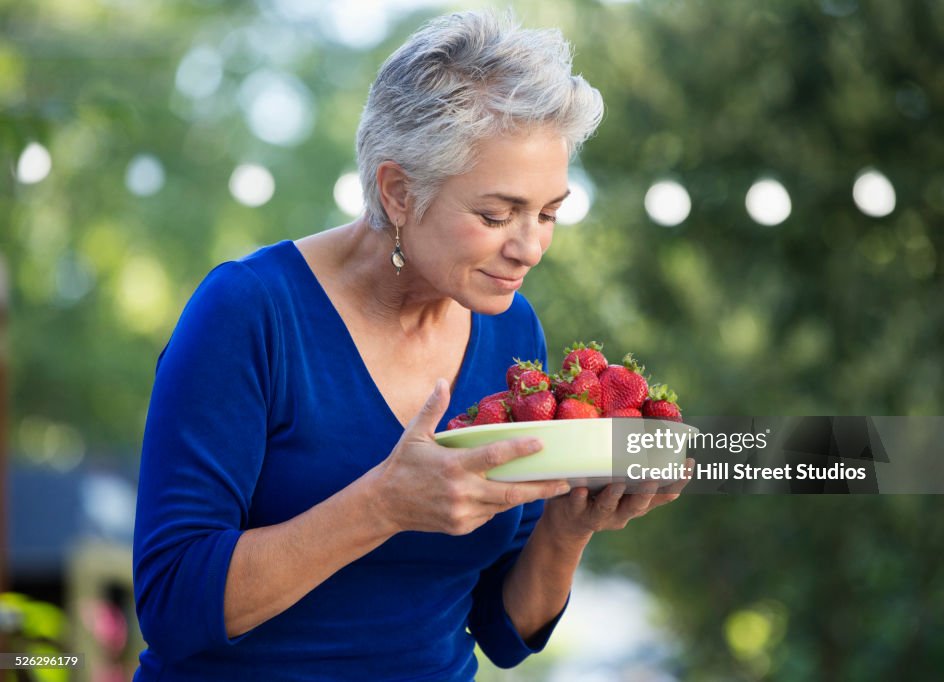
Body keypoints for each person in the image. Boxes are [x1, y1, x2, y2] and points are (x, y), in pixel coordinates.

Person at [132, 10, 691, 680]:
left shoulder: (513, 332)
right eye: (495, 214)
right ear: (398, 192)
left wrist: (568, 528)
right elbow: (170, 602)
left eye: (549, 213)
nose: (531, 247)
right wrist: (381, 506)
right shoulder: (249, 312)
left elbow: (501, 631)